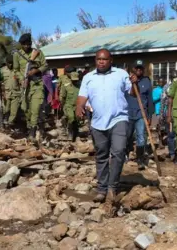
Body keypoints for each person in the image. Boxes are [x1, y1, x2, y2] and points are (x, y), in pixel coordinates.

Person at [76, 48, 136, 206]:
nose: (101, 62)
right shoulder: (88, 77)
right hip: (97, 122)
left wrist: (134, 82)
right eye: (98, 59)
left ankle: (112, 187)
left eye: (104, 59)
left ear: (111, 60)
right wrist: (79, 106)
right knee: (101, 155)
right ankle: (102, 189)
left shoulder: (121, 74)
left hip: (119, 119)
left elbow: (132, 92)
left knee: (118, 151)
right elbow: (82, 96)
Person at [13, 33, 47, 141]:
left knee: (35, 108)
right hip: (25, 86)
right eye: (24, 44)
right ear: (21, 44)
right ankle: (30, 127)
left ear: (31, 43)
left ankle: (33, 132)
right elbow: (16, 70)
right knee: (25, 109)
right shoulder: (17, 55)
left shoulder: (38, 53)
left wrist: (36, 71)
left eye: (28, 44)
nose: (26, 46)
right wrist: (21, 78)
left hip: (37, 85)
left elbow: (45, 65)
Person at [126, 60, 154, 170]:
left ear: (143, 70)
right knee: (127, 136)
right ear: (133, 69)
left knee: (141, 137)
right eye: (136, 68)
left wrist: (149, 116)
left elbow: (150, 99)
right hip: (128, 113)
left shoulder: (147, 81)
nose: (138, 70)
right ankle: (125, 154)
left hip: (141, 114)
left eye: (140, 68)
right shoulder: (128, 81)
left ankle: (140, 159)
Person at [159, 73, 177, 161]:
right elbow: (162, 101)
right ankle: (172, 153)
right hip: (169, 114)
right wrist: (161, 115)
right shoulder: (166, 87)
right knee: (171, 135)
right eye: (174, 77)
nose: (175, 79)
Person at [1, 55, 20, 128]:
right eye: (9, 63)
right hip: (6, 93)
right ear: (6, 62)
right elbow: (0, 82)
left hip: (16, 93)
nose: (11, 64)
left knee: (14, 111)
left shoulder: (17, 70)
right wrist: (3, 93)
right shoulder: (2, 70)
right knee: (5, 109)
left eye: (12, 63)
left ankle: (9, 124)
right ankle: (4, 121)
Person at [60, 71, 80, 141]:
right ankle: (70, 133)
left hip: (78, 105)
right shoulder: (66, 86)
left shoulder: (80, 86)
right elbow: (63, 97)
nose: (75, 82)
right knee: (71, 118)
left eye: (76, 80)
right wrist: (63, 107)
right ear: (70, 79)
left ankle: (76, 133)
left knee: (77, 120)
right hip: (69, 105)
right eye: (73, 80)